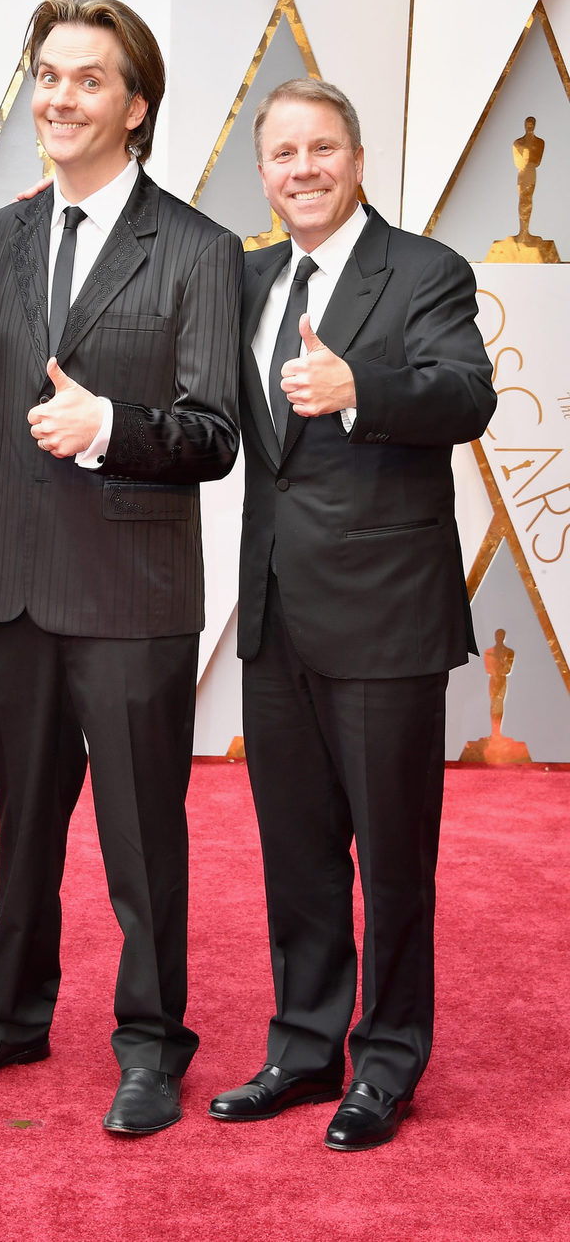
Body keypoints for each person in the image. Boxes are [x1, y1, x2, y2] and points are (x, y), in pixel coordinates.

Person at [0, 0, 241, 1135]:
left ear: (135, 105)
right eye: (47, 74)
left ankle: (151, 1040)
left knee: (144, 837)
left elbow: (213, 432)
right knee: (22, 824)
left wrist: (109, 425)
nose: (57, 95)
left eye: (87, 78)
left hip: (135, 594)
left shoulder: (199, 248)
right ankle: (10, 1014)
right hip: (13, 586)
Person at [209, 79, 496, 1150]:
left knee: (392, 853)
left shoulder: (425, 270)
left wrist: (360, 387)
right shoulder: (245, 279)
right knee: (296, 849)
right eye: (282, 153)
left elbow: (467, 394)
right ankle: (302, 1043)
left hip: (385, 616)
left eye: (321, 148)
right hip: (276, 611)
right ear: (263, 173)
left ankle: (386, 1058)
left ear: (358, 157)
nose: (303, 169)